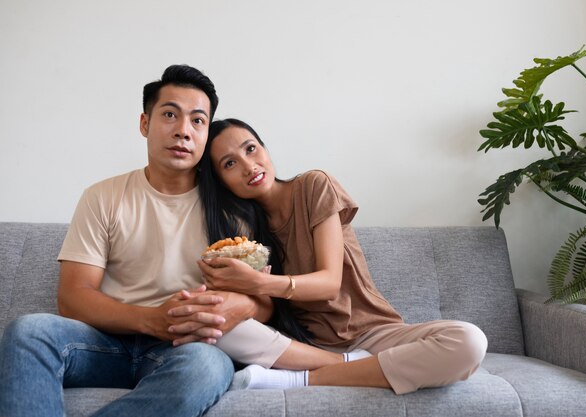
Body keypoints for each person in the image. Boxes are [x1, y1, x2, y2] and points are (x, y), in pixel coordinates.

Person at [0, 65, 240, 417]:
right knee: (28, 332)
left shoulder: (231, 209)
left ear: (206, 135)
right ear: (145, 124)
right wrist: (150, 319)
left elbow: (259, 297)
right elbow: (73, 297)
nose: (183, 131)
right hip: (101, 343)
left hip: (179, 348)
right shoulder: (103, 197)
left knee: (209, 366)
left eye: (198, 121)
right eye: (170, 115)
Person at [192, 118, 489, 394]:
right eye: (230, 163)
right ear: (221, 181)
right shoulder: (241, 234)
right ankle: (350, 367)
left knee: (468, 342)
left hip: (371, 334)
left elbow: (329, 283)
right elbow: (265, 312)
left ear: (265, 148)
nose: (248, 166)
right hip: (304, 346)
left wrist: (258, 282)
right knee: (212, 327)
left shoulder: (314, 186)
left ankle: (302, 379)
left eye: (251, 148)